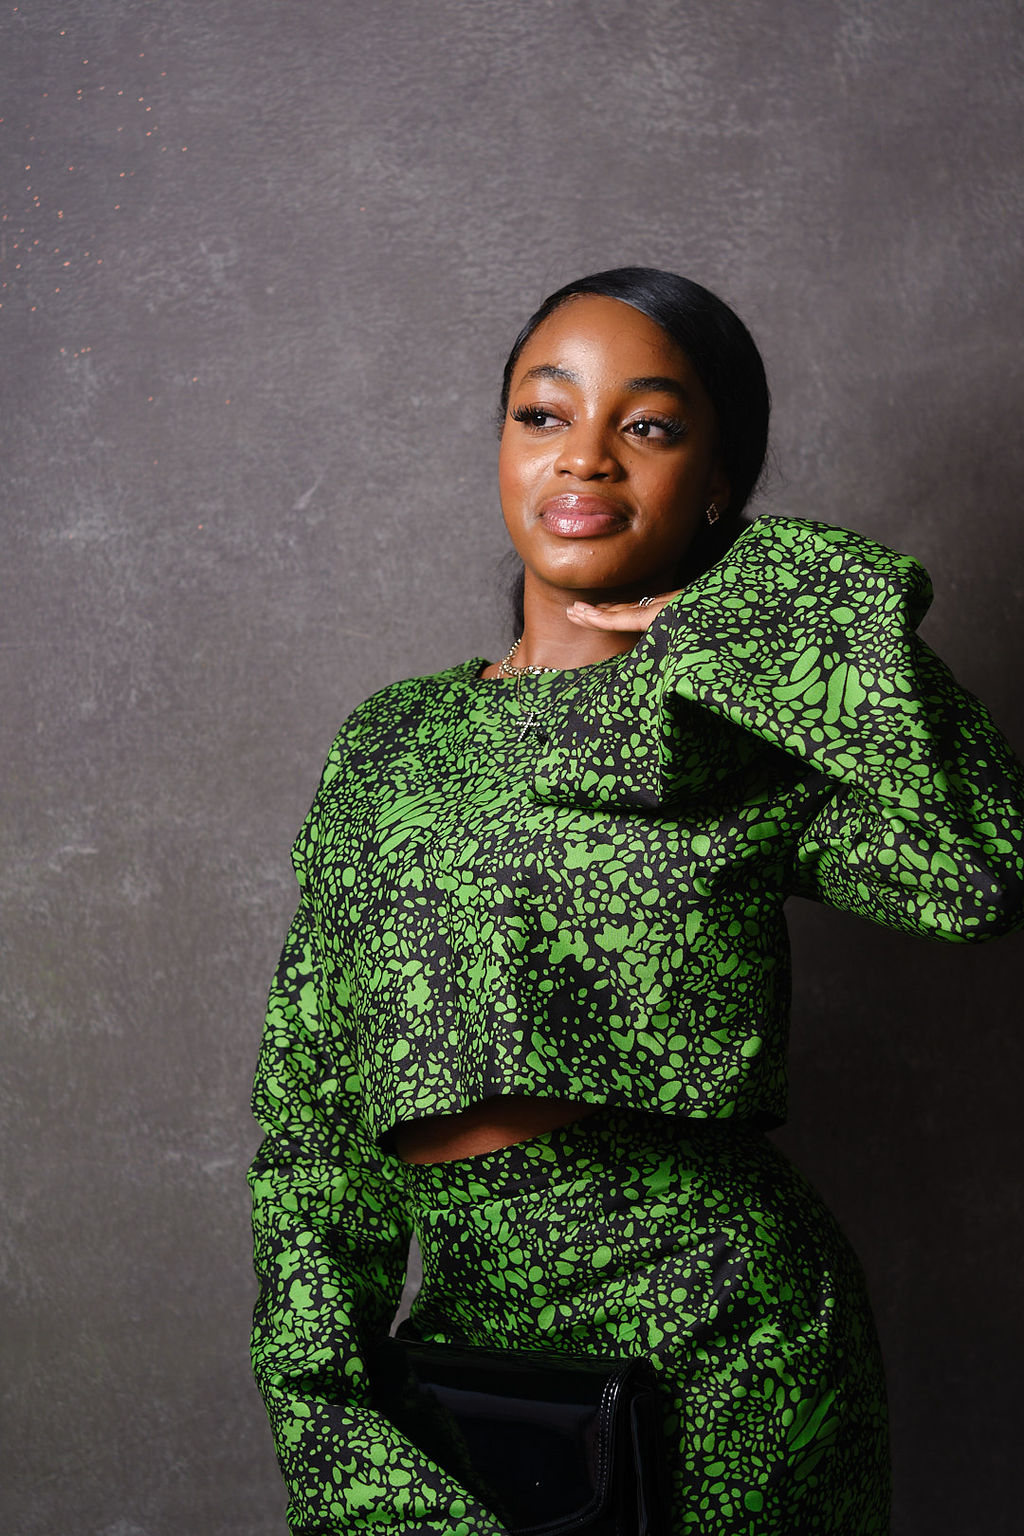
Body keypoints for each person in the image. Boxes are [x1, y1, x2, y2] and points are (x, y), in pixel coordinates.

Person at [248, 268, 1024, 1536]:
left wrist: (769, 623)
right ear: (503, 445)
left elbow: (979, 868)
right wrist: (319, 1395)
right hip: (476, 1332)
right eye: (543, 415)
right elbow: (313, 1118)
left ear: (717, 482)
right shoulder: (393, 738)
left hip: (730, 1334)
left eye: (649, 425)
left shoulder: (749, 723)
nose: (586, 458)